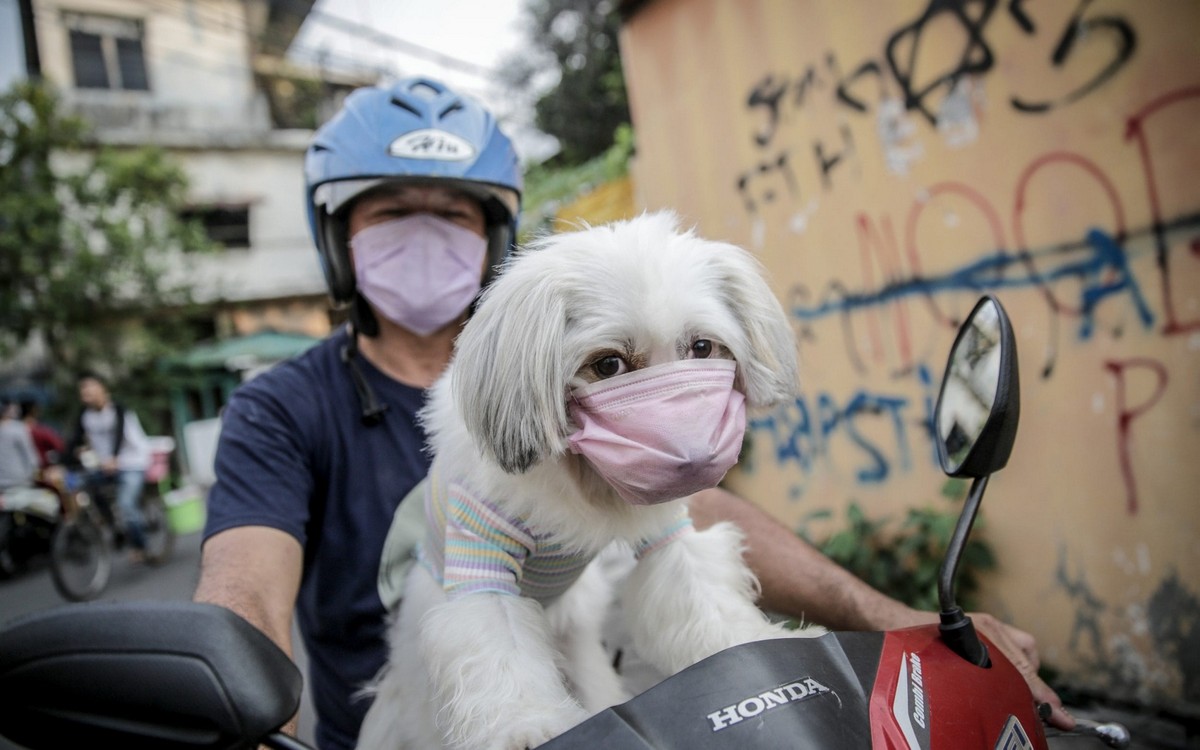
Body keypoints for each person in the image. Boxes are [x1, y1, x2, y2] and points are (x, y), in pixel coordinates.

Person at [194, 77, 1072, 750]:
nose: (425, 235)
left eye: (454, 217)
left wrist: (890, 622)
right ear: (339, 239)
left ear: (493, 239)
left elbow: (685, 520)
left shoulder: (596, 348)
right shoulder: (285, 406)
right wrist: (230, 708)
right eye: (391, 214)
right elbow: (246, 597)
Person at [69, 371, 152, 561]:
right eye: (83, 390)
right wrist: (61, 462)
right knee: (88, 487)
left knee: (126, 505)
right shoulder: (85, 415)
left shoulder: (118, 410)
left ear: (102, 389)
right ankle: (113, 526)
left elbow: (119, 434)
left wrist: (114, 457)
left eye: (89, 388)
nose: (86, 393)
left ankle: (141, 546)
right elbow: (73, 439)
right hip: (105, 465)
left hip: (132, 462)